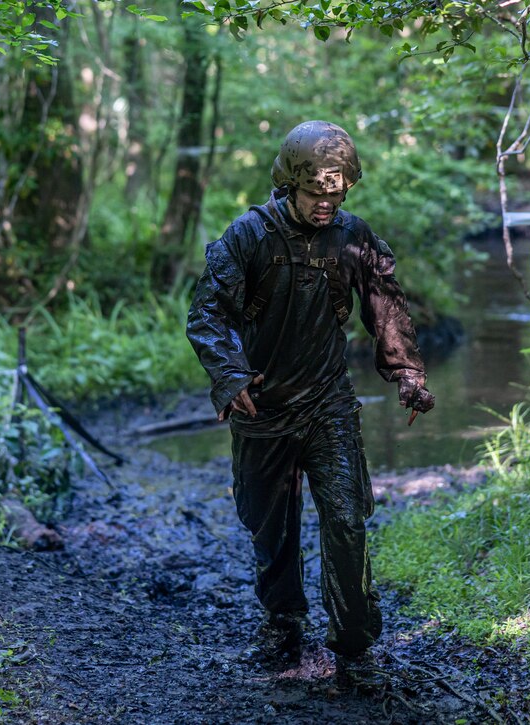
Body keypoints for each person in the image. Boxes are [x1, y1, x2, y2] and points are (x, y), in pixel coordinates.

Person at [185, 121, 435, 678]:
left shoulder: (354, 237)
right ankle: (283, 626)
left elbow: (386, 309)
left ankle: (353, 643)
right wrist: (231, 378)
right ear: (289, 183)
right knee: (272, 530)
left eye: (336, 192)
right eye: (316, 193)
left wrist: (408, 375)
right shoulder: (249, 236)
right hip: (262, 408)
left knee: (347, 521)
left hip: (328, 404)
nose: (326, 203)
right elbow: (207, 314)